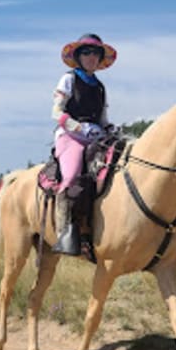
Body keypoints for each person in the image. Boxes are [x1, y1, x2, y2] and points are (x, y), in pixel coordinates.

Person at [51, 32, 117, 256]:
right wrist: (79, 127)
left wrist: (110, 129)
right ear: (78, 56)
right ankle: (64, 232)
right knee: (71, 176)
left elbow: (103, 120)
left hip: (96, 136)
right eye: (86, 52)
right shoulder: (68, 79)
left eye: (96, 53)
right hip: (70, 136)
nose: (91, 57)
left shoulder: (100, 87)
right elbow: (56, 112)